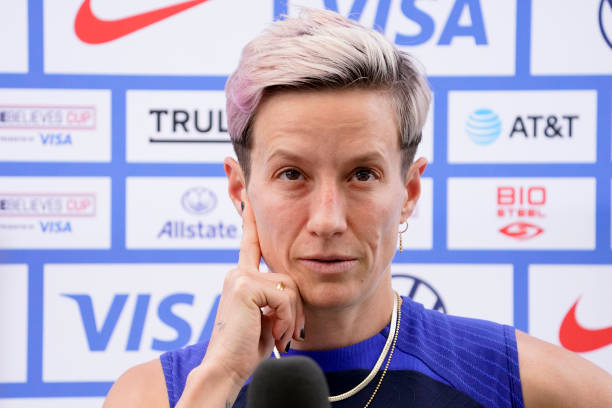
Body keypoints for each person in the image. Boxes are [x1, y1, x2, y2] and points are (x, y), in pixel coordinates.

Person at [104, 8, 612, 408]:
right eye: (292, 175)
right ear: (240, 190)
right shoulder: (157, 395)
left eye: (362, 174)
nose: (328, 220)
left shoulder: (511, 380)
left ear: (409, 190)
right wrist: (220, 379)